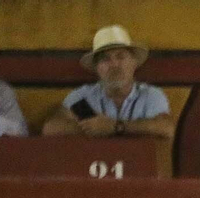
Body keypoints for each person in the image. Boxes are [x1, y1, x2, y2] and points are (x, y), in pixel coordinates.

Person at [44, 26, 174, 140]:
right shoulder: (84, 97)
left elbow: (166, 128)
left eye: (120, 56)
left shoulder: (149, 95)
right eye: (105, 59)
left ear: (134, 63)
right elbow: (52, 128)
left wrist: (115, 127)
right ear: (96, 68)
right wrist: (94, 128)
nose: (114, 65)